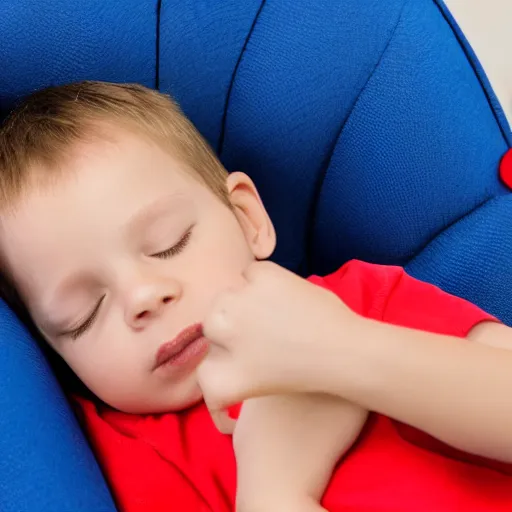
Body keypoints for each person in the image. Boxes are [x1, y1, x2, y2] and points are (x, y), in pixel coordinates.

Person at [0, 81, 511, 512]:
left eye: (168, 243)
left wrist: (347, 354)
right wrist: (275, 486)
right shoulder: (120, 456)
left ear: (247, 219)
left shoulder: (356, 299)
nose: (144, 296)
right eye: (82, 315)